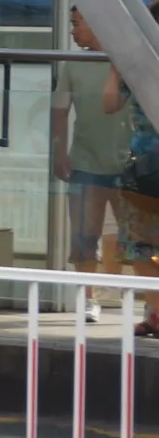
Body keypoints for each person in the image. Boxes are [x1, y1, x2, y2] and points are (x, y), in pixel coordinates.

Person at [53, 8, 134, 316]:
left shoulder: (128, 60)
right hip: (86, 162)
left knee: (137, 240)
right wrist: (60, 152)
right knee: (85, 234)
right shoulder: (75, 63)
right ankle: (89, 298)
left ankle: (142, 303)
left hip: (130, 165)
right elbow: (59, 110)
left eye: (76, 24)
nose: (72, 31)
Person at [100, 37, 159, 340]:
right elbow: (110, 103)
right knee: (140, 246)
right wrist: (116, 68)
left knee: (140, 247)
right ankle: (154, 313)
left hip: (145, 162)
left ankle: (155, 313)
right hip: (145, 166)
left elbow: (110, 103)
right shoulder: (137, 65)